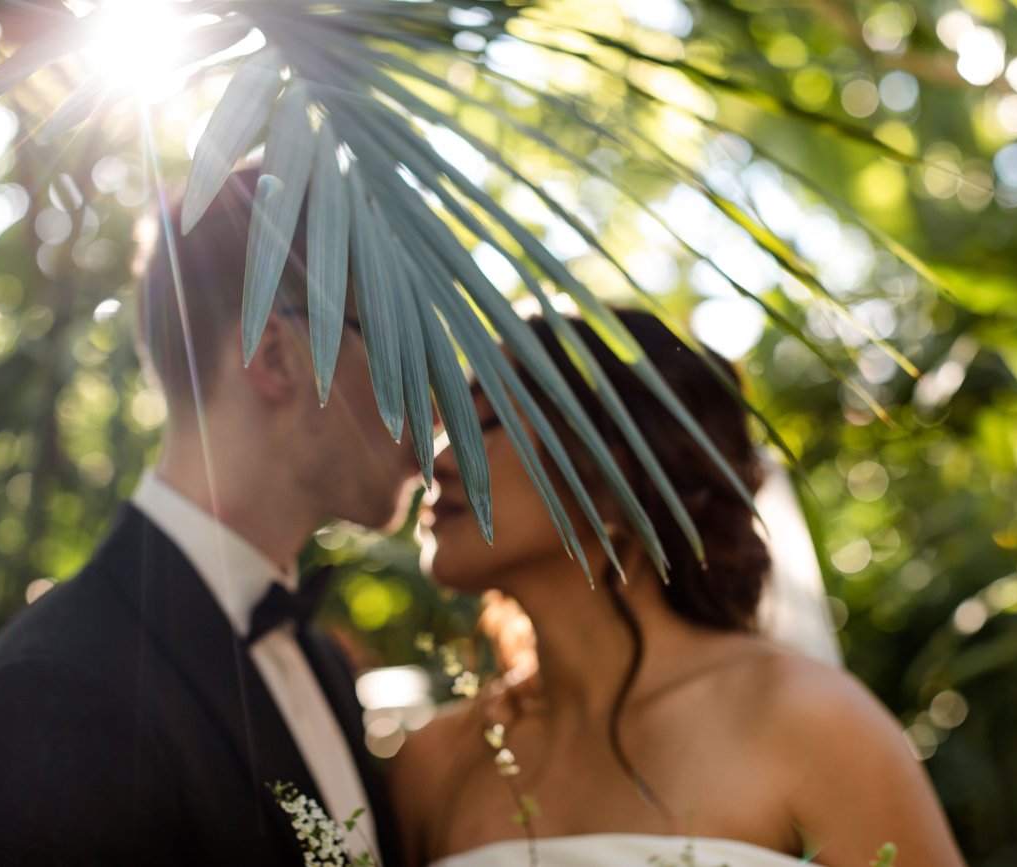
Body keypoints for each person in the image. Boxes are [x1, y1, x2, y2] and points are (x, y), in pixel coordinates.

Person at [0, 170, 415, 865]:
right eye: (406, 357)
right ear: (279, 357)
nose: (437, 414)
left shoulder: (323, 666)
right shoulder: (53, 691)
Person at [393, 309, 965, 867]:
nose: (434, 463)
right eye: (445, 430)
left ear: (616, 469)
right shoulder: (434, 763)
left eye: (483, 425)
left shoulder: (807, 720)